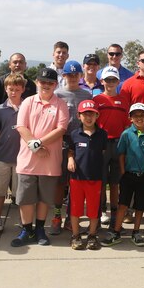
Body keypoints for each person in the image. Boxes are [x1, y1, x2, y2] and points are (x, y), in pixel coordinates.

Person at [10, 68, 69, 247]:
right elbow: (21, 126)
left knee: (44, 199)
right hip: (28, 161)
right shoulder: (28, 102)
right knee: (26, 198)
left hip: (49, 161)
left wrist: (38, 143)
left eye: (50, 83)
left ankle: (40, 229)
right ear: (37, 82)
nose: (46, 85)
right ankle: (26, 230)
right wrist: (36, 147)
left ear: (56, 85)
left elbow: (61, 129)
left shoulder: (60, 104)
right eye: (43, 82)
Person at [102, 103, 144, 248]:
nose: (139, 118)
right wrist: (123, 172)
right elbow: (121, 154)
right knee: (123, 204)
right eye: (135, 115)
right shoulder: (126, 134)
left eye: (142, 115)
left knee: (140, 206)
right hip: (129, 175)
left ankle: (136, 232)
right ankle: (116, 232)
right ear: (130, 118)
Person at [51, 60, 92, 235]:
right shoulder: (58, 94)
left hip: (81, 141)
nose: (73, 77)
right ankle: (57, 215)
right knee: (61, 181)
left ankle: (71, 217)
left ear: (80, 76)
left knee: (76, 181)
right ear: (64, 76)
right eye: (69, 74)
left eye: (76, 74)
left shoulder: (86, 94)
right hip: (63, 139)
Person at [66, 100, 108, 250]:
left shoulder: (102, 134)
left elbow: (103, 152)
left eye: (92, 114)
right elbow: (71, 150)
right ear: (79, 116)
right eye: (85, 114)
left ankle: (92, 235)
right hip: (77, 178)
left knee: (93, 208)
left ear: (97, 116)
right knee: (76, 208)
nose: (88, 118)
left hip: (95, 178)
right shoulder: (74, 134)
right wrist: (70, 159)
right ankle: (76, 236)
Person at [93, 66, 130, 228]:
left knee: (115, 182)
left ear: (118, 81)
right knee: (100, 180)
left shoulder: (124, 100)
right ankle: (101, 212)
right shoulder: (96, 100)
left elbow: (128, 125)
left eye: (113, 80)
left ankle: (114, 213)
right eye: (107, 80)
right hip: (101, 144)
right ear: (102, 81)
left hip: (118, 144)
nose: (110, 83)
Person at [0, 73, 25, 233]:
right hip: (2, 156)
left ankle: (22, 220)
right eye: (11, 89)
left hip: (22, 158)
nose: (13, 92)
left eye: (17, 89)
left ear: (23, 90)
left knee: (20, 192)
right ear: (6, 89)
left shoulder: (27, 107)